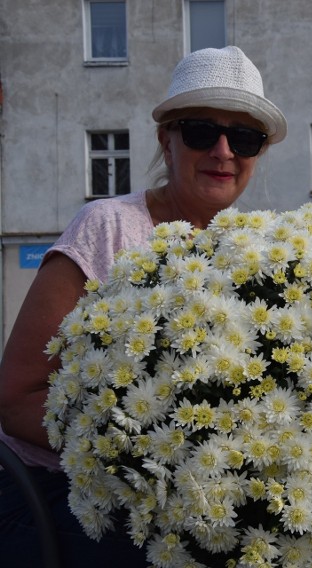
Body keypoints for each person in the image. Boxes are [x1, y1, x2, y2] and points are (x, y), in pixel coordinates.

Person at [0, 45, 287, 566]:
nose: (224, 151)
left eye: (244, 137)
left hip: (189, 502)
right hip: (57, 493)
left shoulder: (257, 252)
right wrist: (145, 452)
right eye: (202, 131)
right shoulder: (109, 227)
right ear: (166, 139)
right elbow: (17, 397)